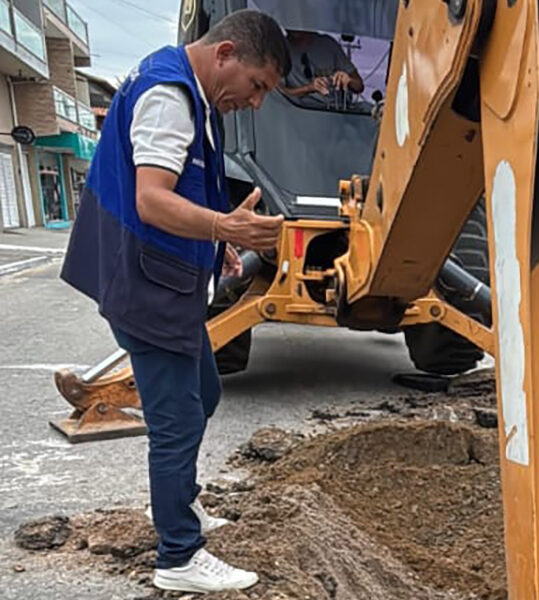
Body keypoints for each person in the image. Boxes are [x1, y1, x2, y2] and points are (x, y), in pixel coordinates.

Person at [60, 10, 290, 593]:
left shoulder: (189, 88)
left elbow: (186, 186)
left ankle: (177, 505)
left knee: (205, 392)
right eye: (258, 86)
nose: (256, 103)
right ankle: (179, 556)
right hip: (147, 287)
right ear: (226, 54)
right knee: (177, 420)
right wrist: (228, 228)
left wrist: (219, 247)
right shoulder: (170, 95)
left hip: (167, 280)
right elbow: (153, 201)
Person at [282, 29, 364, 109]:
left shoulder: (328, 44)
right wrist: (309, 88)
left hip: (335, 111)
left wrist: (348, 80)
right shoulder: (280, 49)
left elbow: (359, 86)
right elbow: (281, 92)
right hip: (297, 112)